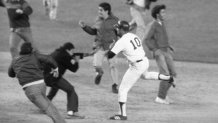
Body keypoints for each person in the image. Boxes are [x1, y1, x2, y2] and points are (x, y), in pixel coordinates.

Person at [107, 20, 174, 120]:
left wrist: (112, 46)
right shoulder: (133, 36)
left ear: (121, 29)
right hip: (144, 61)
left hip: (136, 66)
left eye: (117, 28)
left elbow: (110, 55)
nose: (116, 29)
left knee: (122, 89)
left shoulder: (121, 41)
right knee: (145, 75)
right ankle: (167, 78)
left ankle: (122, 114)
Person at [8, 42, 66, 123]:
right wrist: (56, 68)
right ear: (31, 50)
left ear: (21, 50)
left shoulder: (15, 60)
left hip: (31, 90)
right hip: (41, 85)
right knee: (50, 106)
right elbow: (49, 59)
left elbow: (11, 74)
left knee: (48, 109)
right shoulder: (35, 55)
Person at [79, 2, 119, 93]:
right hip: (99, 46)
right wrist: (85, 27)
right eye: (98, 10)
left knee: (113, 65)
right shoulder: (98, 20)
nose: (99, 12)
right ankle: (99, 73)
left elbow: (119, 33)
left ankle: (115, 85)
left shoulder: (115, 20)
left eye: (101, 10)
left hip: (111, 47)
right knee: (97, 65)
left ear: (106, 11)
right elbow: (93, 31)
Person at [43, 42, 87, 119]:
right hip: (53, 77)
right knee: (70, 89)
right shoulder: (65, 56)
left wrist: (87, 54)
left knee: (55, 87)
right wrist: (76, 61)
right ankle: (72, 112)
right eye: (72, 50)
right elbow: (74, 69)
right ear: (68, 50)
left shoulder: (57, 52)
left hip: (44, 76)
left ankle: (44, 106)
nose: (73, 52)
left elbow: (72, 56)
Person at [145, 4, 177, 104]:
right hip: (160, 53)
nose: (164, 14)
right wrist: (155, 50)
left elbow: (162, 37)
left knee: (173, 74)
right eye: (162, 12)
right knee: (165, 75)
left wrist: (168, 45)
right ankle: (160, 98)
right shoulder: (153, 25)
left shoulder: (161, 23)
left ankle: (163, 95)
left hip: (166, 51)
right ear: (157, 14)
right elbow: (147, 39)